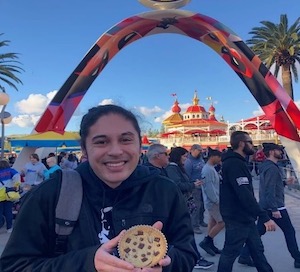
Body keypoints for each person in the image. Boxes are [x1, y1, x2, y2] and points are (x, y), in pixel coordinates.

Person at [0, 104, 198, 272]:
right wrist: (87, 263)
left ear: (140, 146)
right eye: (101, 142)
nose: (115, 151)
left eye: (126, 139)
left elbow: (188, 253)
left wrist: (165, 262)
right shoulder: (51, 194)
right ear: (84, 149)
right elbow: (13, 266)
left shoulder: (164, 191)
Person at [217, 131, 276, 272]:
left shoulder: (237, 162)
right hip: (237, 216)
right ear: (242, 144)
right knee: (230, 252)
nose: (253, 145)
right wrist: (264, 216)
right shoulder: (234, 164)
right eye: (250, 142)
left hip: (245, 217)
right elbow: (244, 193)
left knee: (257, 250)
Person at [165, 147, 214, 270]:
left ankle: (194, 257)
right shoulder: (172, 168)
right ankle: (194, 258)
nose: (186, 159)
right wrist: (192, 185)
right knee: (185, 233)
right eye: (184, 156)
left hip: (184, 203)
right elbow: (177, 185)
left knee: (185, 233)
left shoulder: (177, 168)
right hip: (180, 205)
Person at [258, 143, 300, 269]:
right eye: (279, 150)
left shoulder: (266, 166)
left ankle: (245, 255)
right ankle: (297, 259)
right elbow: (269, 189)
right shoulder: (272, 168)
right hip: (275, 206)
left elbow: (270, 186)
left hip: (266, 205)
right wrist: (275, 209)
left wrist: (284, 182)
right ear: (271, 152)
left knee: (258, 232)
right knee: (289, 231)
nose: (281, 152)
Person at [199, 149, 224, 256]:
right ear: (213, 156)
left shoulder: (210, 169)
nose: (220, 160)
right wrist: (216, 200)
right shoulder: (208, 170)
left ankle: (210, 243)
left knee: (213, 222)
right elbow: (209, 187)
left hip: (213, 199)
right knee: (222, 222)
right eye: (219, 157)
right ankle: (207, 241)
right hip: (213, 201)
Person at [184, 144, 207, 234]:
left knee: (203, 205)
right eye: (199, 150)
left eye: (201, 150)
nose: (200, 152)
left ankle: (201, 221)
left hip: (203, 186)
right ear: (192, 150)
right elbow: (187, 176)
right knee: (196, 207)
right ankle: (194, 225)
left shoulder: (200, 159)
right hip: (195, 187)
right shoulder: (188, 162)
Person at [0, 160, 20, 233]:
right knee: (8, 211)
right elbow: (17, 177)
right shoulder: (11, 171)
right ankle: (9, 228)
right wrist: (15, 186)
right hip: (9, 194)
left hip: (0, 195)